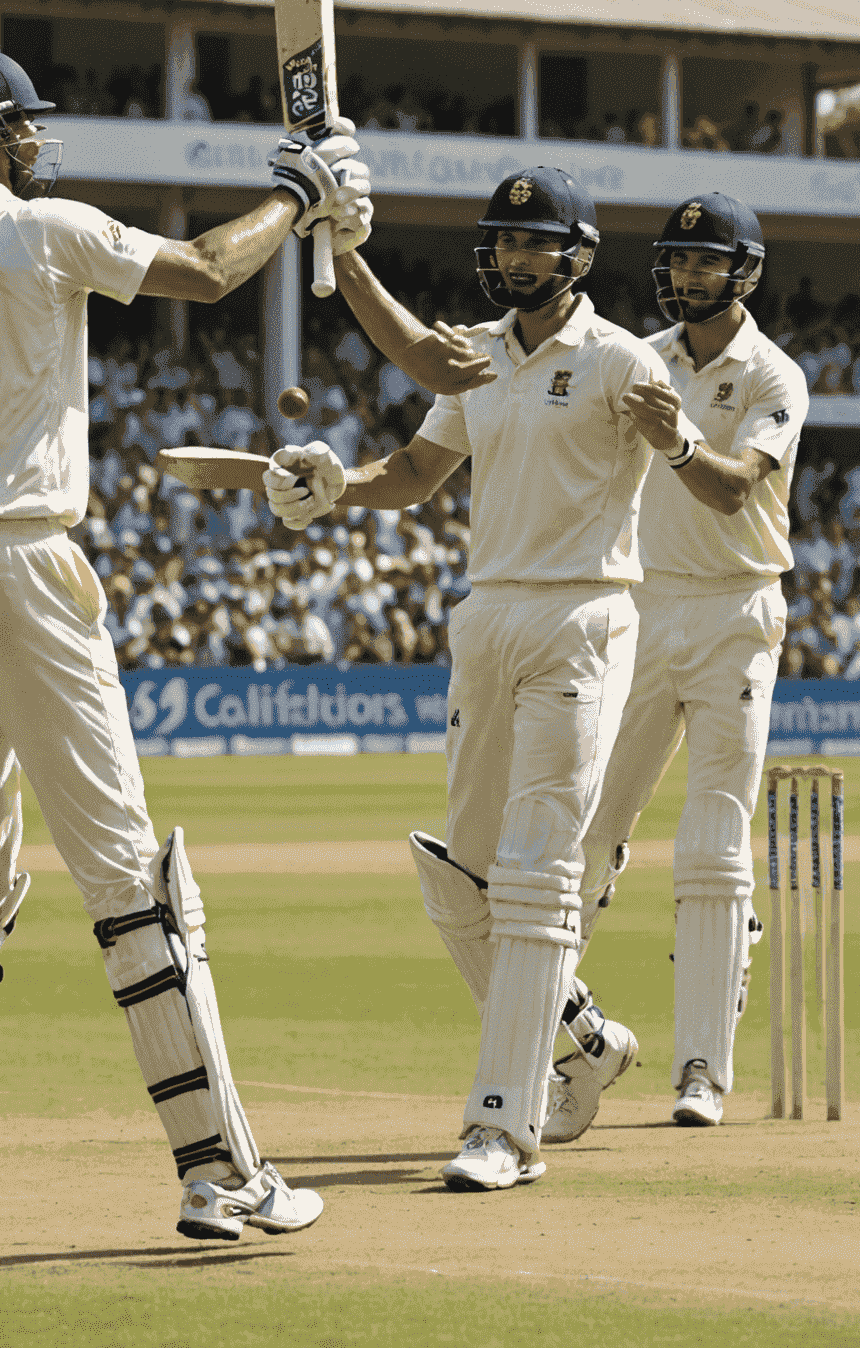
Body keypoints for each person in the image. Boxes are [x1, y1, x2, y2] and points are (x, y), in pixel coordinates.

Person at [0, 48, 372, 1249]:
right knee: (133, 882)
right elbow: (208, 272)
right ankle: (221, 1170)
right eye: (23, 130)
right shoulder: (38, 229)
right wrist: (301, 190)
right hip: (20, 564)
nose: (35, 146)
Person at [264, 167, 682, 1191]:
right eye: (502, 242)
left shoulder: (622, 360)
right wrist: (335, 489)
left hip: (584, 612)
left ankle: (505, 1123)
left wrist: (342, 247)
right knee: (461, 878)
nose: (511, 258)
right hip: (488, 612)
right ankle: (583, 1039)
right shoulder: (480, 359)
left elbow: (695, 467)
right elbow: (409, 475)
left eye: (532, 243)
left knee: (538, 868)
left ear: (578, 256)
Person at [552, 193, 810, 1138]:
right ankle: (554, 1043)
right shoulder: (640, 358)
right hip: (640, 609)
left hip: (736, 612)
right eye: (680, 260)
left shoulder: (776, 375)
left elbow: (735, 492)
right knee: (585, 831)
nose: (689, 276)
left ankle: (701, 1067)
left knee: (710, 844)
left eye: (708, 262)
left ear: (743, 271)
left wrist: (677, 438)